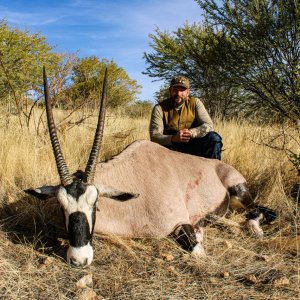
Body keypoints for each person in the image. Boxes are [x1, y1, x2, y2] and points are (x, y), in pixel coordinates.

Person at [149, 76, 223, 159]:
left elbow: (208, 125)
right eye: (175, 90)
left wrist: (191, 133)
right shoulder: (159, 108)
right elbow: (154, 136)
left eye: (182, 90)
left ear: (188, 92)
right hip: (171, 147)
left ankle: (214, 168)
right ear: (170, 90)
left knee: (214, 138)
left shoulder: (195, 103)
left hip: (192, 142)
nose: (178, 93)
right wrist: (173, 138)